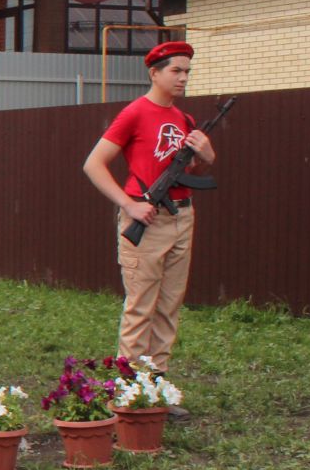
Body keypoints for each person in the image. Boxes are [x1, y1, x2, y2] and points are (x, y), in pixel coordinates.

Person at [82, 41, 217, 389]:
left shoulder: (183, 118)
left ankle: (156, 386)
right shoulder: (135, 113)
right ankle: (129, 390)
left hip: (182, 217)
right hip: (145, 220)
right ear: (154, 73)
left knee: (169, 307)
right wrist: (128, 205)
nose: (183, 78)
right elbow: (93, 165)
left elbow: (194, 166)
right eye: (176, 70)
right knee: (141, 308)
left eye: (187, 71)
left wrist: (207, 154)